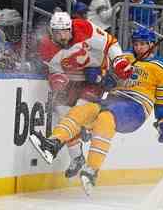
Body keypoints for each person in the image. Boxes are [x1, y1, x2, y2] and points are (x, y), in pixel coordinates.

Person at [31, 26, 163, 195]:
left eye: (143, 44)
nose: (139, 47)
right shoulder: (125, 58)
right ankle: (53, 144)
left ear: (152, 45)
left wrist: (162, 121)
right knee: (83, 110)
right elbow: (106, 76)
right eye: (136, 44)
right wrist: (104, 78)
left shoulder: (162, 67)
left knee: (105, 118)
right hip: (115, 100)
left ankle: (91, 169)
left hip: (136, 108)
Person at [36, 12, 127, 179]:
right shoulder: (47, 47)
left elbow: (110, 43)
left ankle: (86, 127)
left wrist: (118, 61)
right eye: (57, 32)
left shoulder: (84, 28)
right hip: (74, 79)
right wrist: (57, 81)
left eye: (65, 31)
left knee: (79, 111)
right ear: (51, 31)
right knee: (63, 111)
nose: (62, 36)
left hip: (97, 75)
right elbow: (54, 71)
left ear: (71, 28)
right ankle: (77, 157)